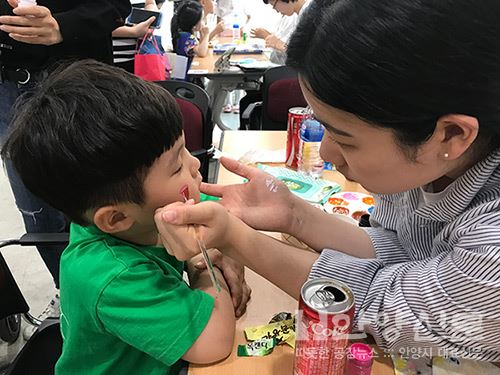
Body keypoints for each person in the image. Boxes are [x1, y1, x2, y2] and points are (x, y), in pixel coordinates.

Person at [155, 0, 500, 361]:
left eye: (345, 138)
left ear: (451, 135)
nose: (328, 154)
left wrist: (235, 238)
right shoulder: (427, 163)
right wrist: (294, 215)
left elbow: (387, 309)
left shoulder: (492, 246)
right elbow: (400, 247)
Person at [2, 60, 251, 374]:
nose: (194, 167)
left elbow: (221, 212)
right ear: (116, 218)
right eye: (177, 166)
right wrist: (203, 263)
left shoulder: (136, 212)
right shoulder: (111, 275)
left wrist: (225, 245)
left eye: (185, 149)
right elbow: (213, 342)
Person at [0, 0, 131, 334]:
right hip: (7, 87)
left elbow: (117, 5)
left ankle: (124, 295)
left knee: (104, 195)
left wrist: (63, 26)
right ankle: (70, 293)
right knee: (37, 211)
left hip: (77, 76)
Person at [171, 0, 209, 75]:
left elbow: (201, 46)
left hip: (183, 74)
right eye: (201, 19)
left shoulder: (182, 34)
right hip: (188, 77)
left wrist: (202, 33)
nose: (203, 22)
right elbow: (202, 52)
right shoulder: (188, 37)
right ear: (194, 23)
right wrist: (207, 34)